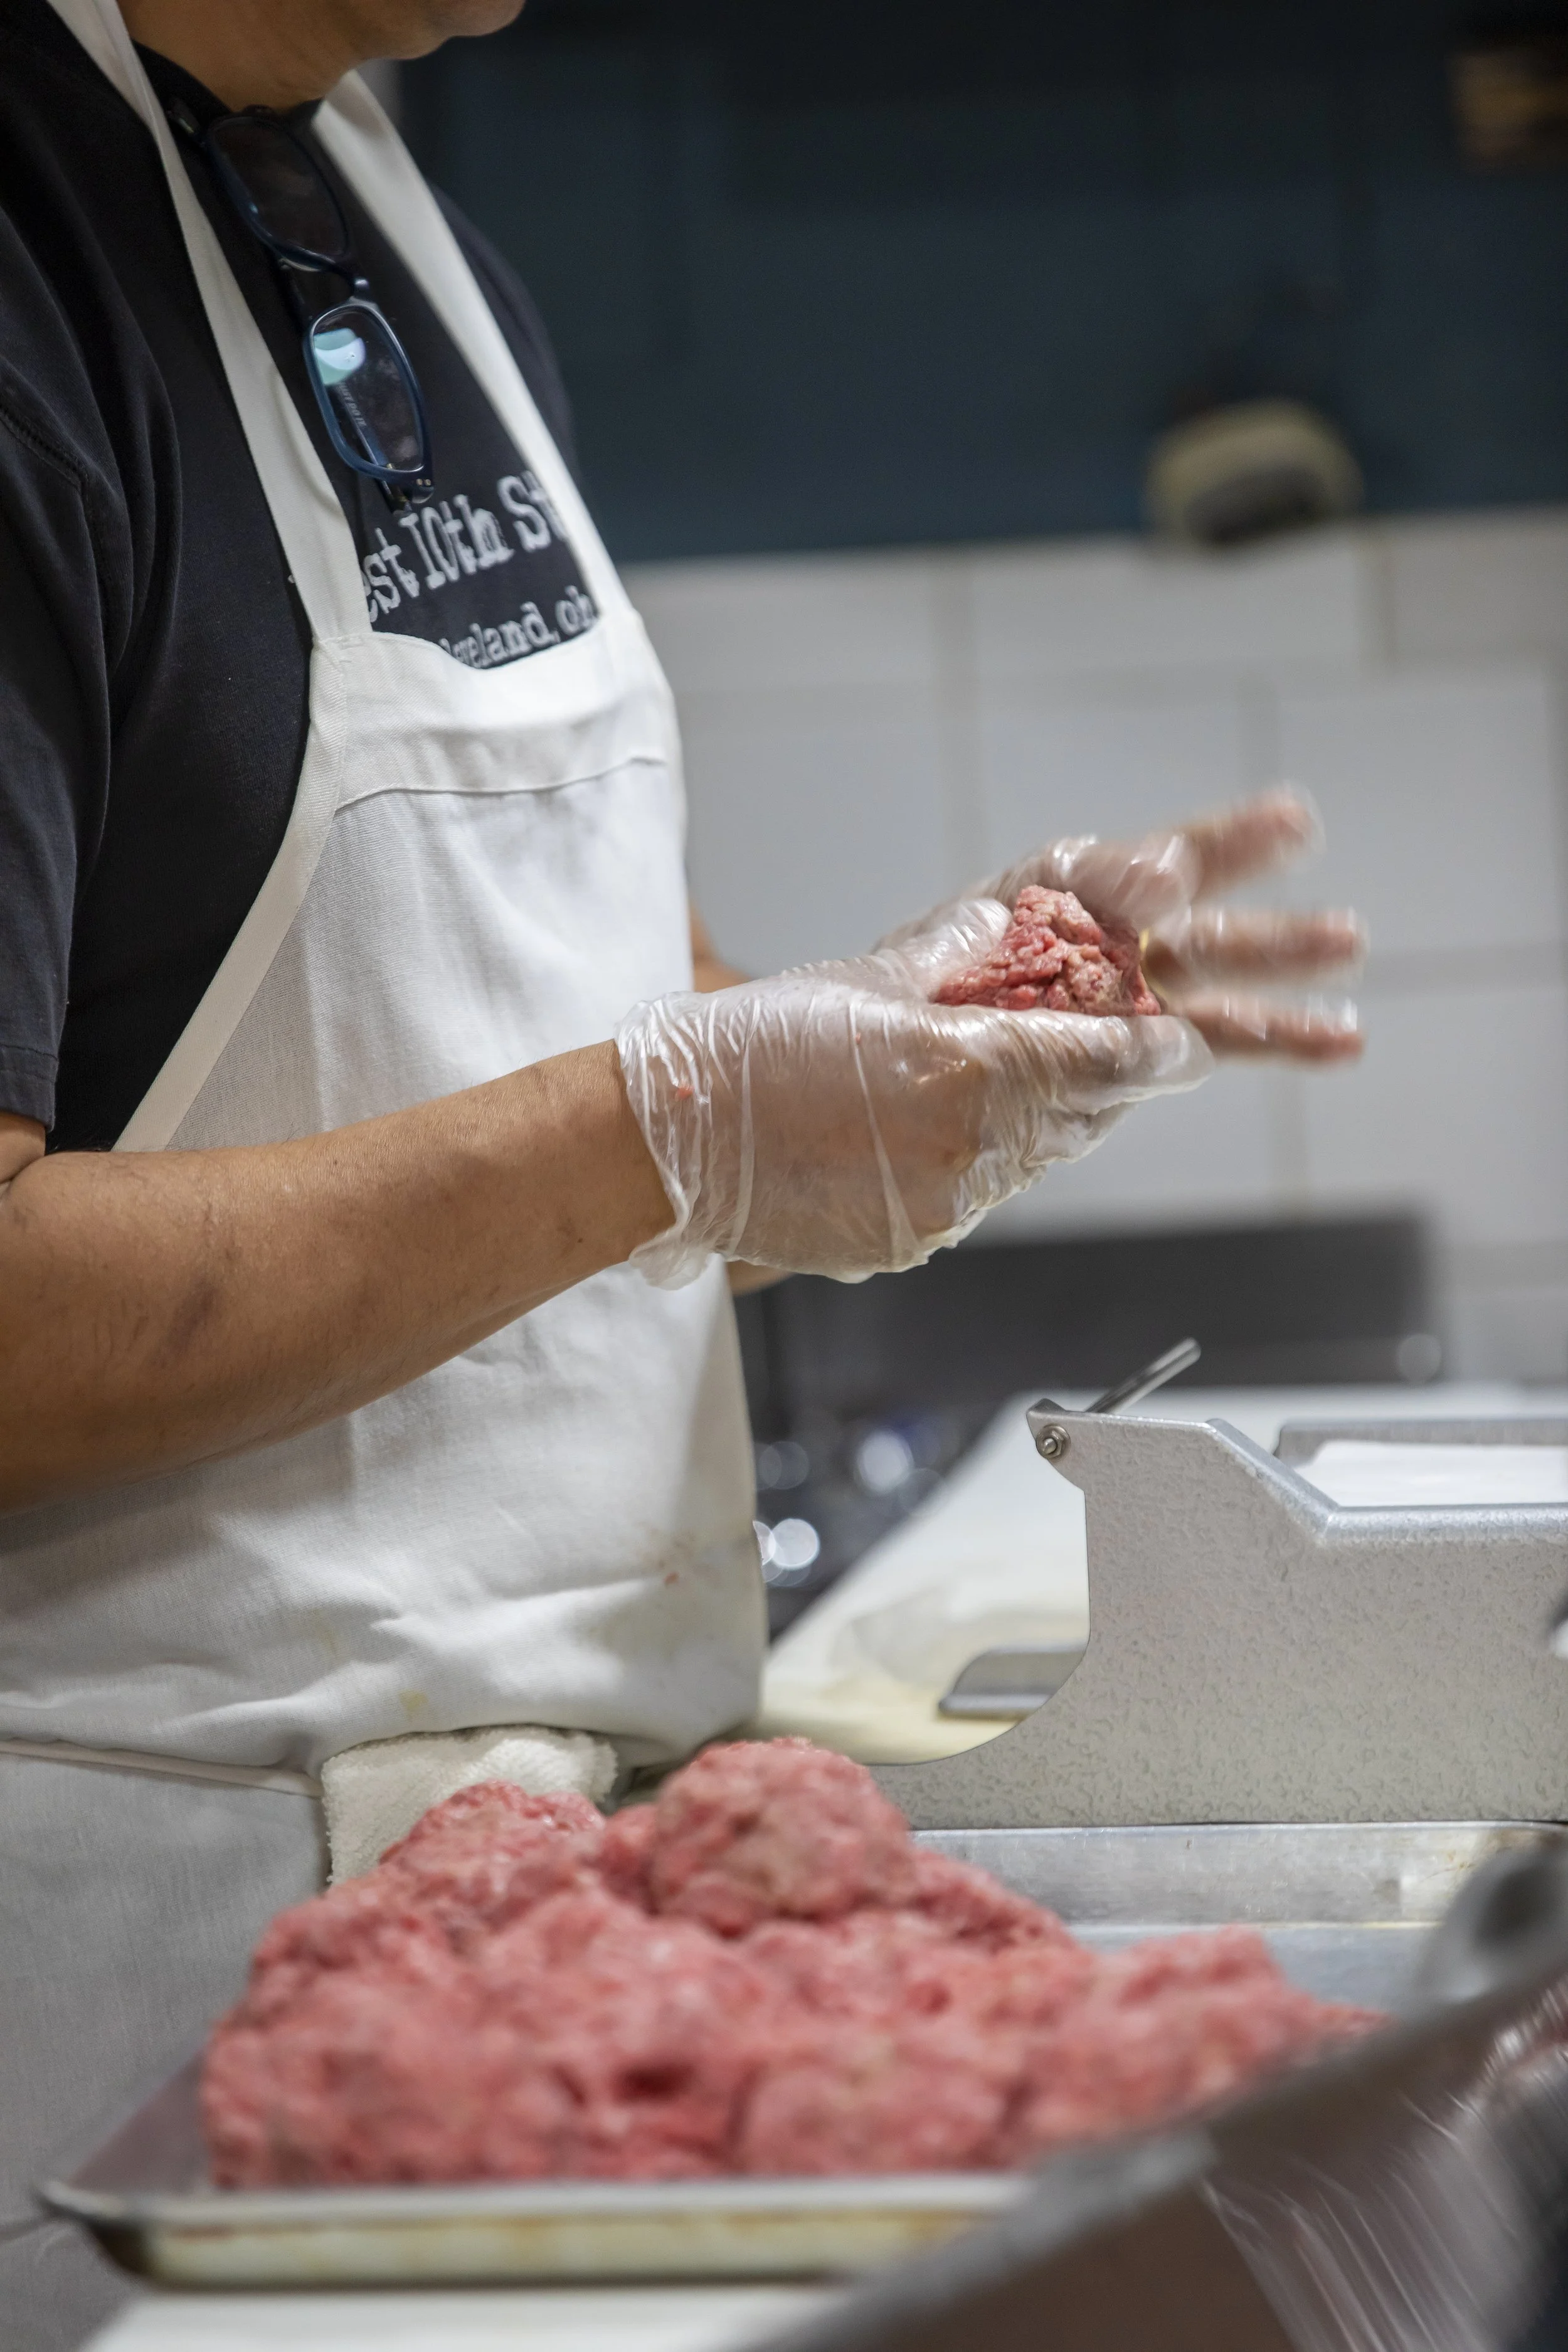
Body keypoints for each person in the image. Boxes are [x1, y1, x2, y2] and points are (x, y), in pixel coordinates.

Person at [0, 0, 1363, 2340]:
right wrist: (679, 1123)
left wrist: (895, 1053)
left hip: (552, 1946)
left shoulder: (389, 207)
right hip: (146, 2065)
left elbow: (552, 1037)